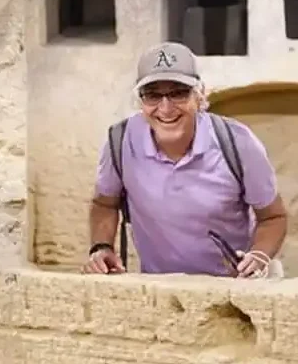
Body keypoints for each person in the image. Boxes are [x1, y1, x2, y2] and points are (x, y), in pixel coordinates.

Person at [83, 42, 287, 279]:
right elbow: (104, 204)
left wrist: (260, 256)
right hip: (161, 289)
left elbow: (273, 217)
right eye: (152, 95)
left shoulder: (237, 142)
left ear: (199, 96)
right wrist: (101, 247)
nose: (166, 108)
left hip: (233, 288)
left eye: (179, 92)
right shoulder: (120, 141)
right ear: (140, 101)